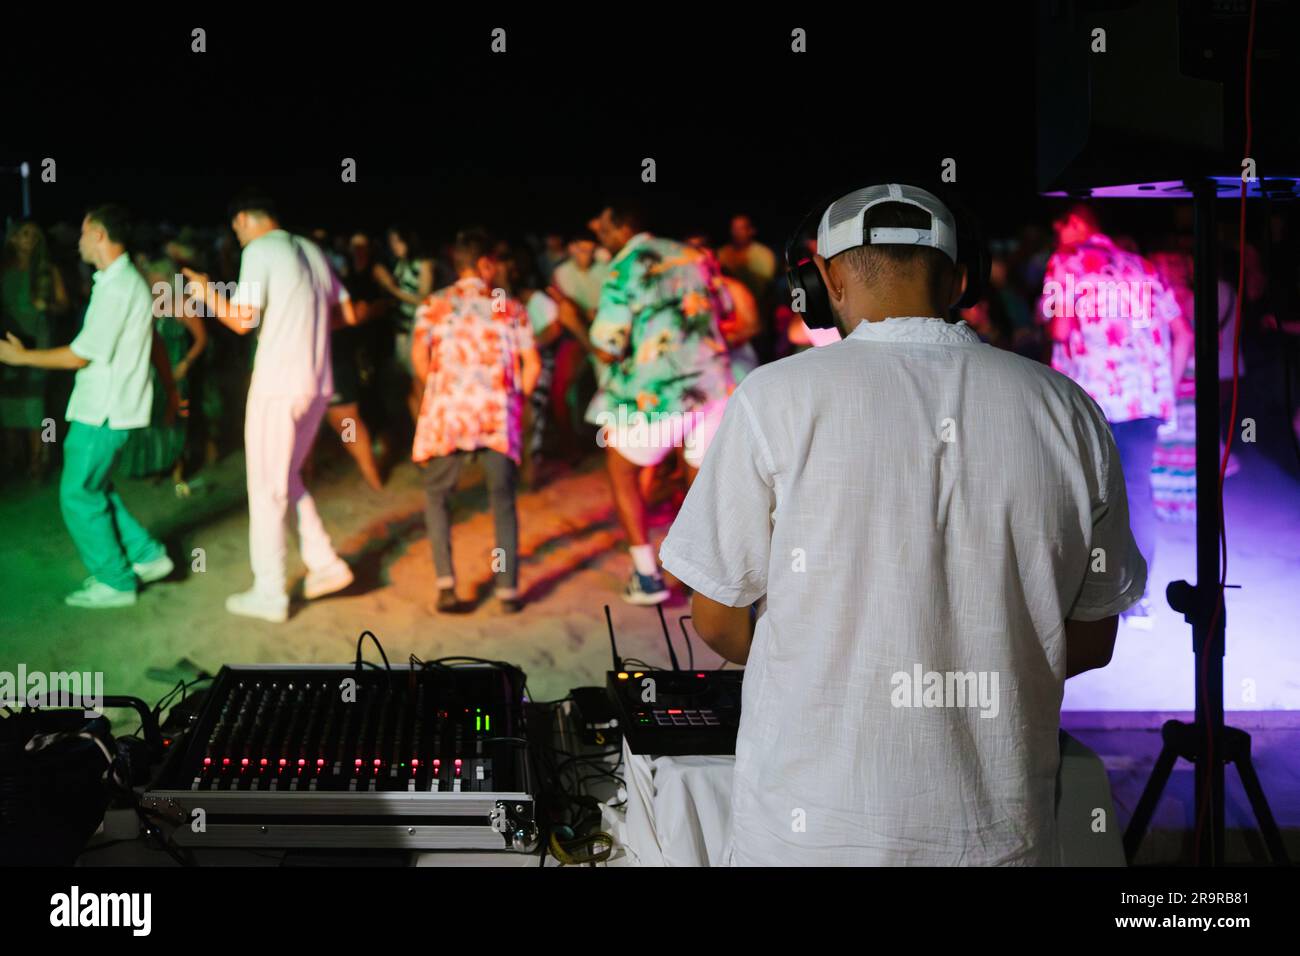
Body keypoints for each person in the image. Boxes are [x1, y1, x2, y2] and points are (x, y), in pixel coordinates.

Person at [659, 183, 1147, 866]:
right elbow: (1092, 640)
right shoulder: (1068, 410)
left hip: (807, 840)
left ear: (822, 277)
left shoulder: (774, 400)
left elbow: (716, 618)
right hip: (998, 841)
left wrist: (823, 663)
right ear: (963, 278)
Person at [181, 191, 355, 623]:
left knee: (265, 487)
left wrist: (205, 293)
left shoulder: (260, 249)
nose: (236, 234)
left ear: (243, 218)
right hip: (317, 384)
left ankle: (270, 592)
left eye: (235, 226)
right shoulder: (312, 249)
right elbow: (344, 311)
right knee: (286, 478)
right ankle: (326, 564)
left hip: (279, 386)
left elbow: (242, 320)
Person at [0, 205, 177, 607]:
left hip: (104, 410)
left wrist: (18, 357)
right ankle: (149, 556)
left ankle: (115, 581)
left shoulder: (118, 287)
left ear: (98, 235)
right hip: (110, 408)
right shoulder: (119, 281)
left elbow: (81, 355)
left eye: (81, 233)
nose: (76, 241)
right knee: (95, 488)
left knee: (77, 494)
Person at [1036, 204, 1192, 628]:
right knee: (1138, 493)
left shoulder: (1068, 261)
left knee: (1084, 494)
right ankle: (1136, 601)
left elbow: (1060, 330)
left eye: (1059, 223)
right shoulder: (1143, 264)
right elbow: (1184, 335)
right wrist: (1166, 389)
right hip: (1144, 402)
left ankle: (1086, 598)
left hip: (1093, 401)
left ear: (1076, 223)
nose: (1056, 232)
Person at [581, 200, 735, 605]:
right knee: (699, 474)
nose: (597, 227)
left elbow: (606, 342)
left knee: (621, 466)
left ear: (620, 222)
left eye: (602, 221)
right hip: (713, 383)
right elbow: (727, 309)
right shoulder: (695, 254)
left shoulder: (624, 265)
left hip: (658, 391)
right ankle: (699, 573)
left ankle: (647, 577)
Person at [412, 231, 541, 615]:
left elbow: (419, 356)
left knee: (438, 498)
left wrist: (438, 389)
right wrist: (516, 400)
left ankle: (446, 586)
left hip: (449, 413)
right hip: (495, 415)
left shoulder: (434, 304)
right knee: (501, 501)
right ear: (485, 263)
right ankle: (507, 590)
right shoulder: (510, 307)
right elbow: (531, 364)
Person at [118, 258, 208, 491]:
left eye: (159, 280)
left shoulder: (181, 304)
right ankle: (159, 464)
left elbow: (201, 339)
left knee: (176, 420)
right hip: (153, 372)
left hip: (176, 371)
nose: (154, 284)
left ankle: (178, 467)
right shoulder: (148, 305)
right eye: (151, 280)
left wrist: (186, 363)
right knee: (153, 420)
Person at [1, 220, 68, 479]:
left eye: (32, 235)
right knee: (9, 403)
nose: (27, 239)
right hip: (10, 339)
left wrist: (46, 307)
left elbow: (63, 304)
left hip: (39, 340)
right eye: (22, 234)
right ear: (13, 239)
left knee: (37, 405)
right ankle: (14, 457)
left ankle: (41, 456)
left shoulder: (47, 270)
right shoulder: (4, 270)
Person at [375, 226, 434, 424]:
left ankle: (430, 431)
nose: (394, 247)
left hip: (417, 330)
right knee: (409, 385)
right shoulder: (400, 263)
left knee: (420, 382)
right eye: (391, 242)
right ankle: (420, 433)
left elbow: (424, 299)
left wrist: (391, 289)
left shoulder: (423, 263)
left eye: (397, 241)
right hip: (401, 329)